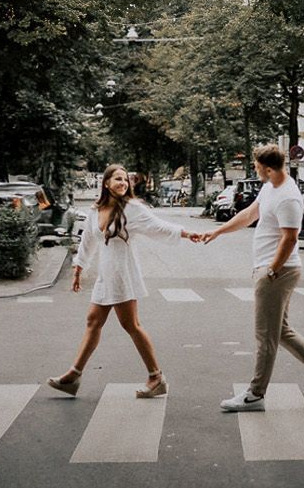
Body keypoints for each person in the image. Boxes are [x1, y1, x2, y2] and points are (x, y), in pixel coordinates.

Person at [198, 144, 304, 413]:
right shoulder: (270, 188)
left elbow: (289, 238)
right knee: (281, 331)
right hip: (273, 269)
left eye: (256, 166)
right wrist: (218, 231)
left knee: (265, 336)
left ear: (267, 168)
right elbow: (249, 214)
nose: (255, 170)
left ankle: (255, 394)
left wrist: (272, 271)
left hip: (278, 271)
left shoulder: (288, 197)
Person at [48, 163, 196, 399]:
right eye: (117, 179)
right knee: (93, 321)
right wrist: (78, 269)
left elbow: (157, 227)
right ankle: (73, 376)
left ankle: (156, 377)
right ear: (106, 183)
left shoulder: (132, 208)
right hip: (106, 275)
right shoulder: (96, 211)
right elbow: (87, 240)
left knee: (131, 325)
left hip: (123, 273)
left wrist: (185, 233)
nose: (122, 183)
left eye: (125, 180)